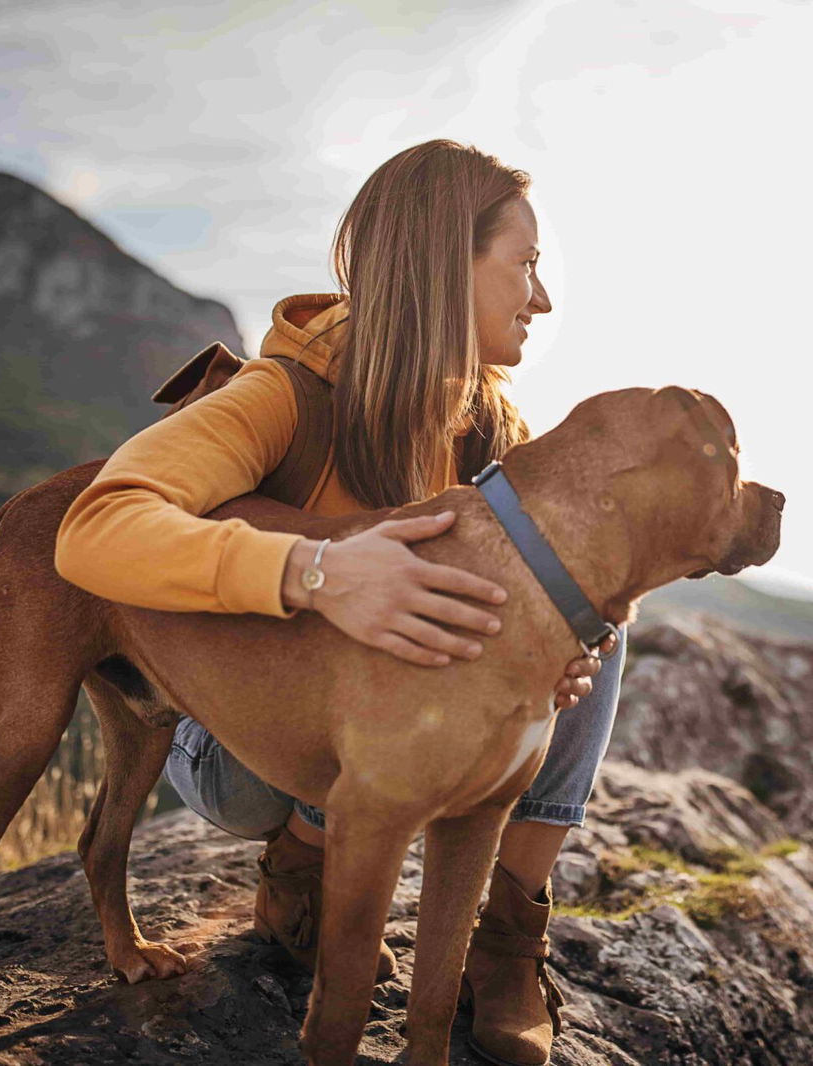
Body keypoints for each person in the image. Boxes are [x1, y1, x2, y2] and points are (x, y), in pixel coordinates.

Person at [53, 138, 625, 1066]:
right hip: (245, 749)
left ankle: (509, 943)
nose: (543, 297)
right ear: (445, 268)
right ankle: (302, 863)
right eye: (524, 265)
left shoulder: (491, 425)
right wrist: (315, 572)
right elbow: (94, 528)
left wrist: (553, 666)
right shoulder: (282, 394)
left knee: (589, 617)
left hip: (389, 731)